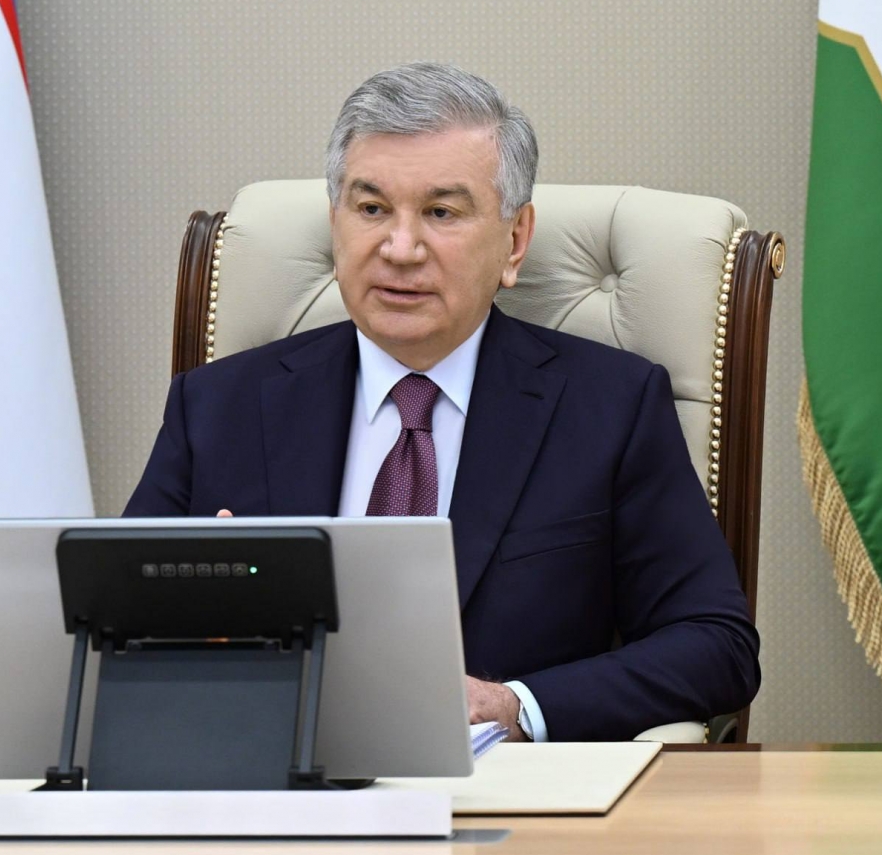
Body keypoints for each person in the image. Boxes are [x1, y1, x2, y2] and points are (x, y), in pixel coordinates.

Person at [124, 62, 759, 741]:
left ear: (515, 241)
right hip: (265, 774)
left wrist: (515, 706)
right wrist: (197, 613)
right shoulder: (218, 405)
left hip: (502, 792)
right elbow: (111, 622)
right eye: (372, 210)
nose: (400, 249)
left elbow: (716, 645)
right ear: (335, 224)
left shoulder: (610, 406)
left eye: (441, 213)